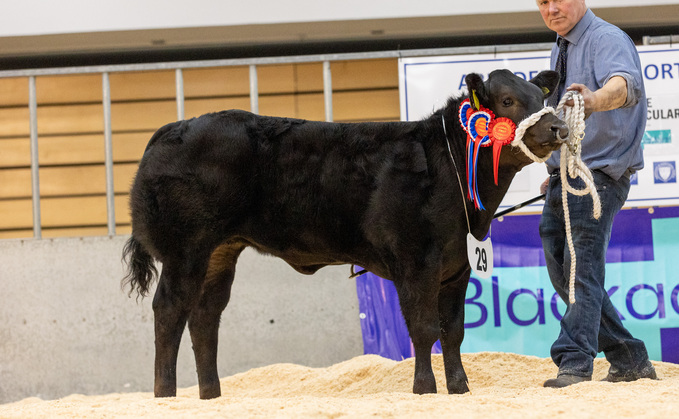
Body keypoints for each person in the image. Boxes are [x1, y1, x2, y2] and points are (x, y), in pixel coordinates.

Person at [535, 0, 657, 388]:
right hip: (565, 173)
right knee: (564, 265)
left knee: (580, 268)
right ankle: (628, 357)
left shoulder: (605, 38)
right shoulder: (561, 45)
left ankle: (574, 362)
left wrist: (592, 100)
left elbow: (624, 87)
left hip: (598, 175)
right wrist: (553, 167)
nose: (551, 8)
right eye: (542, 2)